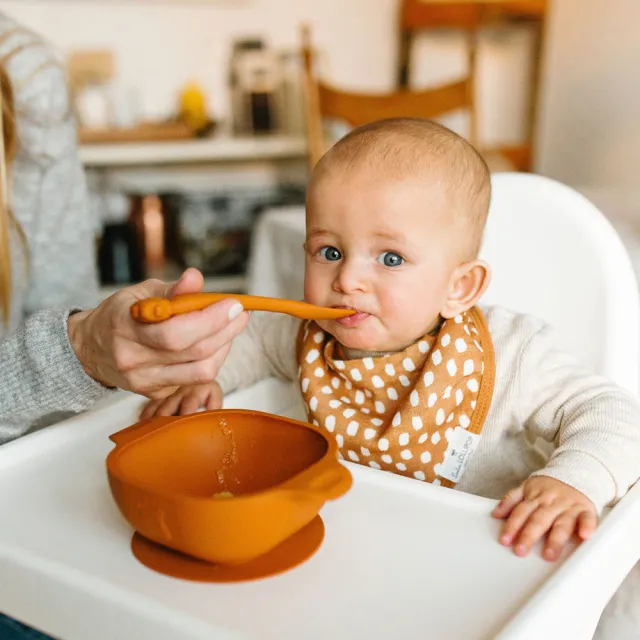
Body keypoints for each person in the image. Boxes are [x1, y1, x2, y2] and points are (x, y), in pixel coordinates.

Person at [144, 117, 640, 567]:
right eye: (330, 250)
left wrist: (572, 482)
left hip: (486, 560)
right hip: (356, 552)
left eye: (391, 259)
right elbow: (248, 341)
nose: (348, 279)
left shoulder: (511, 352)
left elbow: (614, 414)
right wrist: (205, 376)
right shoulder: (309, 336)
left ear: (459, 287)